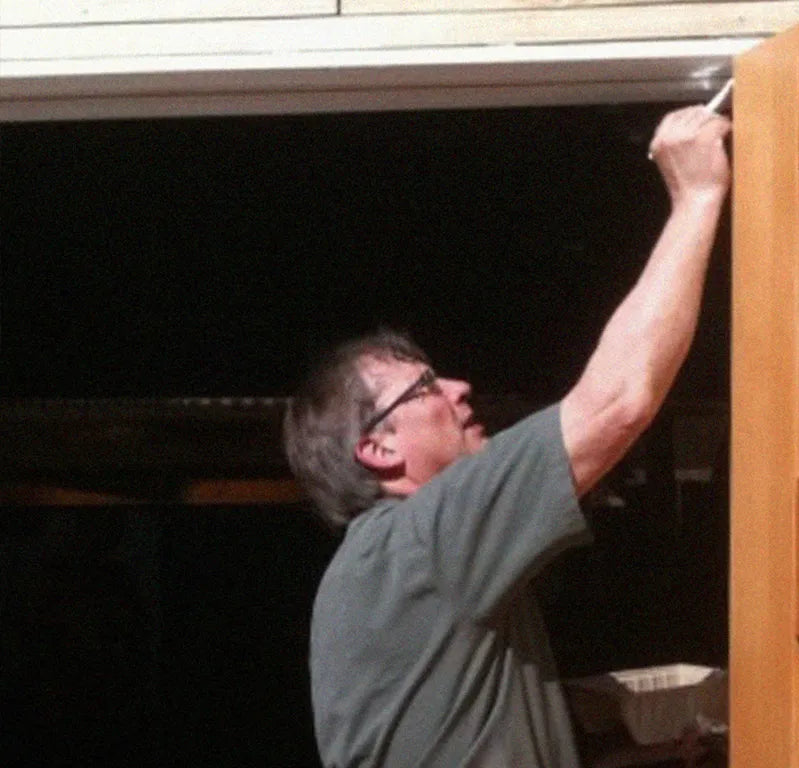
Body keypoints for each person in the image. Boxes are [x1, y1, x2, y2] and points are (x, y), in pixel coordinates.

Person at [283, 105, 731, 768]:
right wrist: (696, 197)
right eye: (427, 388)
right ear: (379, 448)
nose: (461, 388)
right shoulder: (420, 544)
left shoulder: (392, 568)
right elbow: (616, 404)